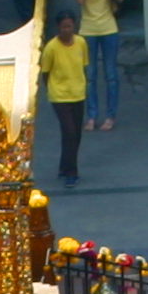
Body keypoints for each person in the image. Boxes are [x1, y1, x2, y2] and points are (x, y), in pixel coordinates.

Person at [71, 0, 123, 130]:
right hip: (88, 31)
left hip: (109, 29)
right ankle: (92, 116)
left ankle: (110, 116)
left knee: (111, 74)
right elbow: (80, 0)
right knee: (90, 76)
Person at [39, 14, 89, 187]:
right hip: (60, 96)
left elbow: (83, 65)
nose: (67, 30)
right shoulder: (51, 48)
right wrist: (52, 90)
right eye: (63, 27)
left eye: (70, 26)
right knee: (70, 132)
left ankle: (64, 165)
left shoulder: (81, 43)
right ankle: (71, 172)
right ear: (58, 28)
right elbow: (45, 72)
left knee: (76, 133)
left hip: (78, 93)